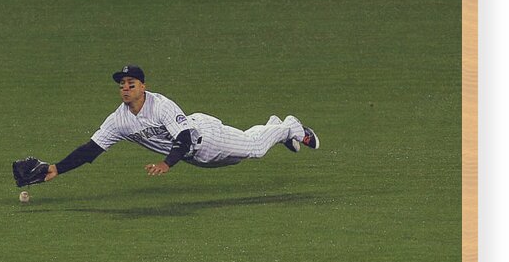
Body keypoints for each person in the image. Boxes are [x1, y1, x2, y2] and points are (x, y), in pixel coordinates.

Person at [44, 65, 319, 182]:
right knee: (243, 153)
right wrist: (57, 168)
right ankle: (273, 126)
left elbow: (185, 138)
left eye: (131, 84)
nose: (125, 89)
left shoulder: (160, 105)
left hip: (205, 136)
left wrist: (166, 163)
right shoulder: (119, 121)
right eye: (122, 85)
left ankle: (290, 127)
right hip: (194, 157)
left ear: (143, 86)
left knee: (255, 149)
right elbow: (90, 150)